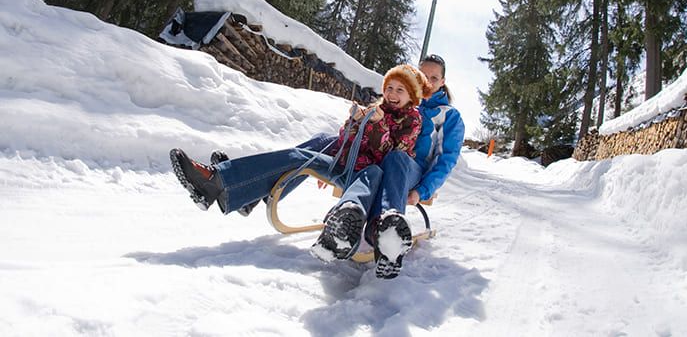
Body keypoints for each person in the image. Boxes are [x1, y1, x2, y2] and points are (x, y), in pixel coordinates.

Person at [170, 64, 433, 272]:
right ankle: (218, 181)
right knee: (301, 155)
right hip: (349, 166)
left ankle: (235, 189)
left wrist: (376, 126)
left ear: (412, 97)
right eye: (390, 87)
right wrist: (354, 123)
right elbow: (345, 141)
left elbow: (388, 158)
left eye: (401, 90)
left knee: (351, 161)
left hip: (369, 178)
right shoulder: (374, 109)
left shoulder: (412, 120)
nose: (392, 94)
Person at [364, 53, 466, 278]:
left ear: (442, 82)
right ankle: (360, 226)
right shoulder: (405, 100)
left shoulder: (449, 116)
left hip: (412, 171)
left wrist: (422, 191)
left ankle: (390, 238)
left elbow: (445, 160)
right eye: (424, 76)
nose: (428, 82)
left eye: (434, 78)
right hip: (380, 163)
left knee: (397, 158)